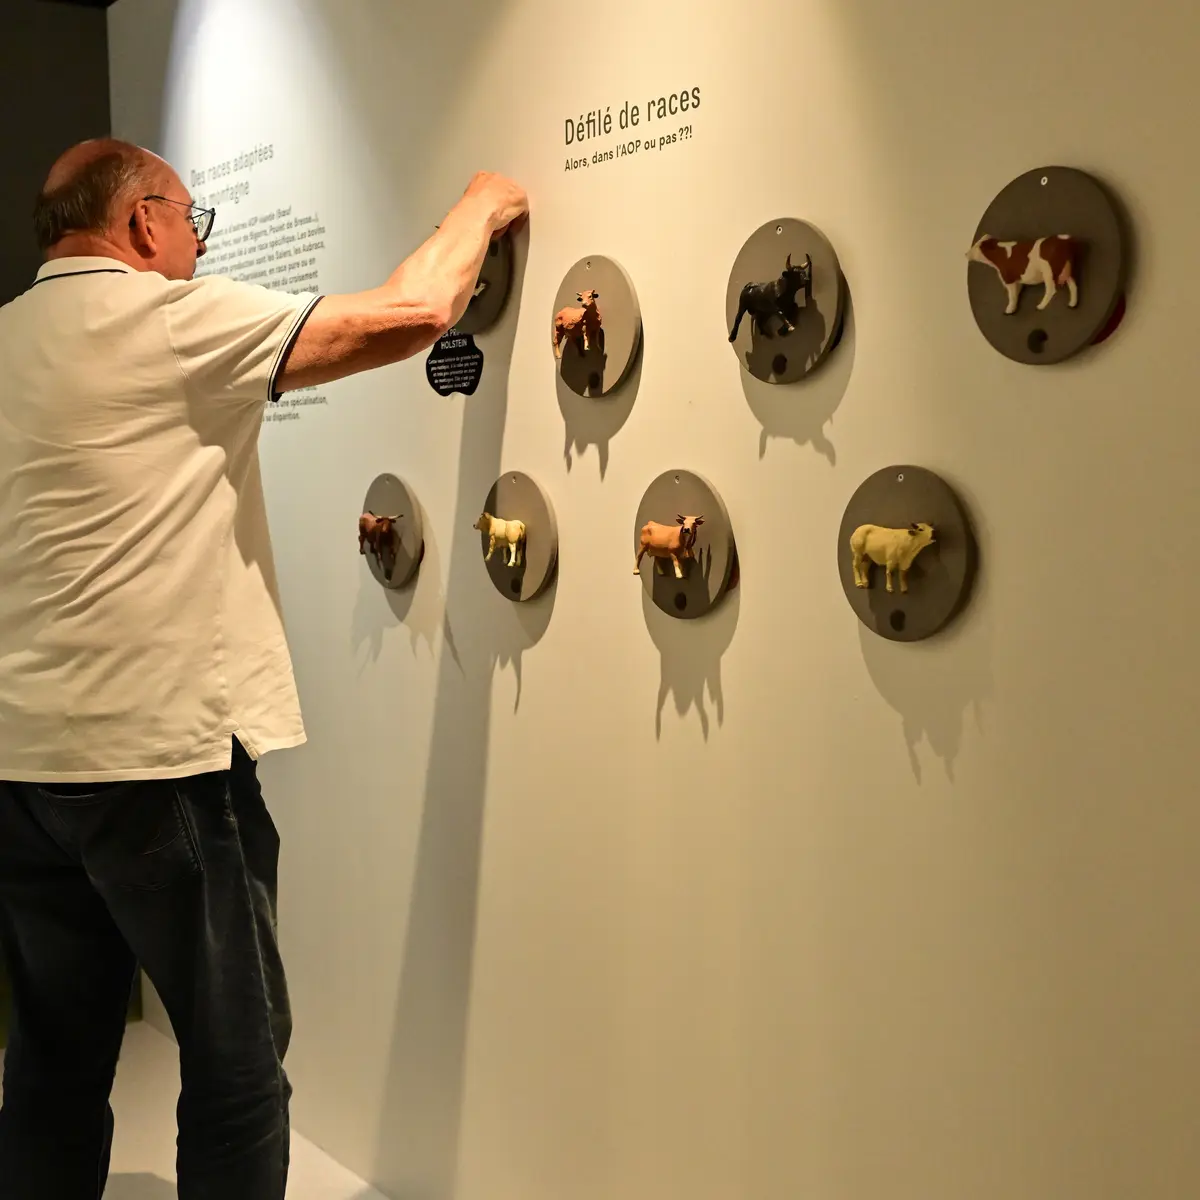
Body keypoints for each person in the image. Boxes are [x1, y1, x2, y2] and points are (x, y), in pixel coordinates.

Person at [0, 138, 527, 1199]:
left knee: (54, 1059)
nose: (198, 247)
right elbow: (412, 313)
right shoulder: (164, 318)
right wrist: (483, 201)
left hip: (23, 768)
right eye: (191, 222)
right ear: (143, 222)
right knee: (236, 1065)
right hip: (158, 760)